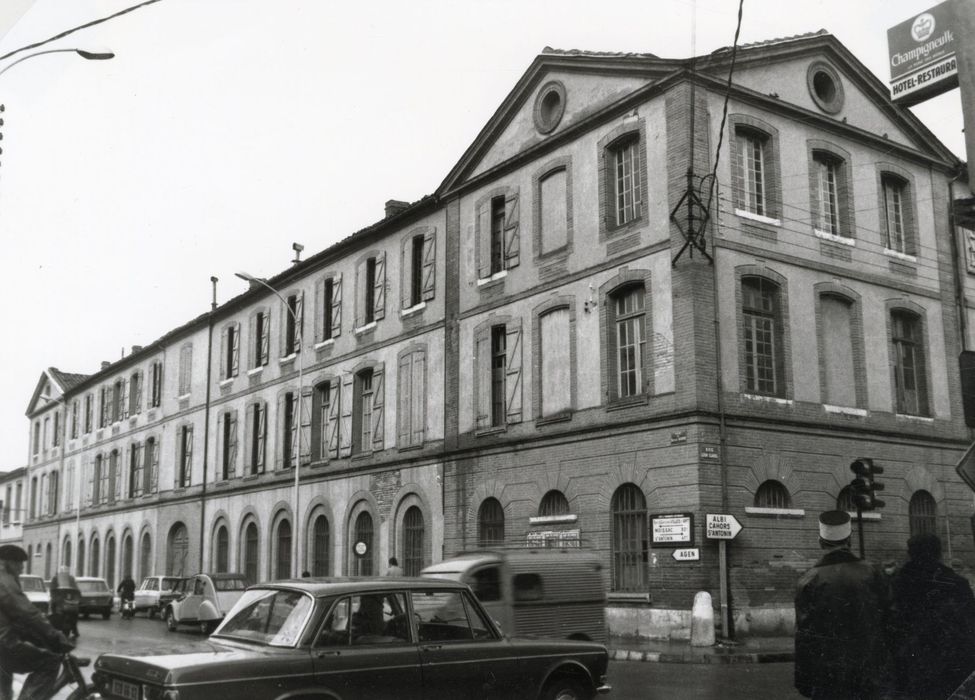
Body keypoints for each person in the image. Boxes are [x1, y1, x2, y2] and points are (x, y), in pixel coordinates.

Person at [794, 510, 888, 700]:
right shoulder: (872, 573)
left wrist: (804, 680)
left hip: (827, 677)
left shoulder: (808, 580)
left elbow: (804, 635)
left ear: (821, 542)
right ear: (850, 540)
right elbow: (888, 621)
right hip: (867, 674)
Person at [888, 533, 975, 699]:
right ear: (938, 553)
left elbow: (892, 623)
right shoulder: (957, 583)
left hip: (912, 661)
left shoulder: (898, 583)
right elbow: (970, 624)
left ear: (911, 554)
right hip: (950, 662)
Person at [0, 544, 73, 700]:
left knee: (4, 691)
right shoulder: (4, 580)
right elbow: (27, 613)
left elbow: (14, 617)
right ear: (8, 562)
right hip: (4, 644)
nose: (21, 568)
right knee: (50, 661)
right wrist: (54, 635)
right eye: (18, 564)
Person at [49, 566, 80, 639]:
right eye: (63, 572)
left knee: (75, 613)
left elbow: (76, 588)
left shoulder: (71, 578)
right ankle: (53, 626)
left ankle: (75, 630)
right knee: (53, 608)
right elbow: (52, 589)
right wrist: (54, 595)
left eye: (65, 572)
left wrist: (77, 595)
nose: (64, 573)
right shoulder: (55, 579)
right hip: (59, 598)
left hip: (68, 599)